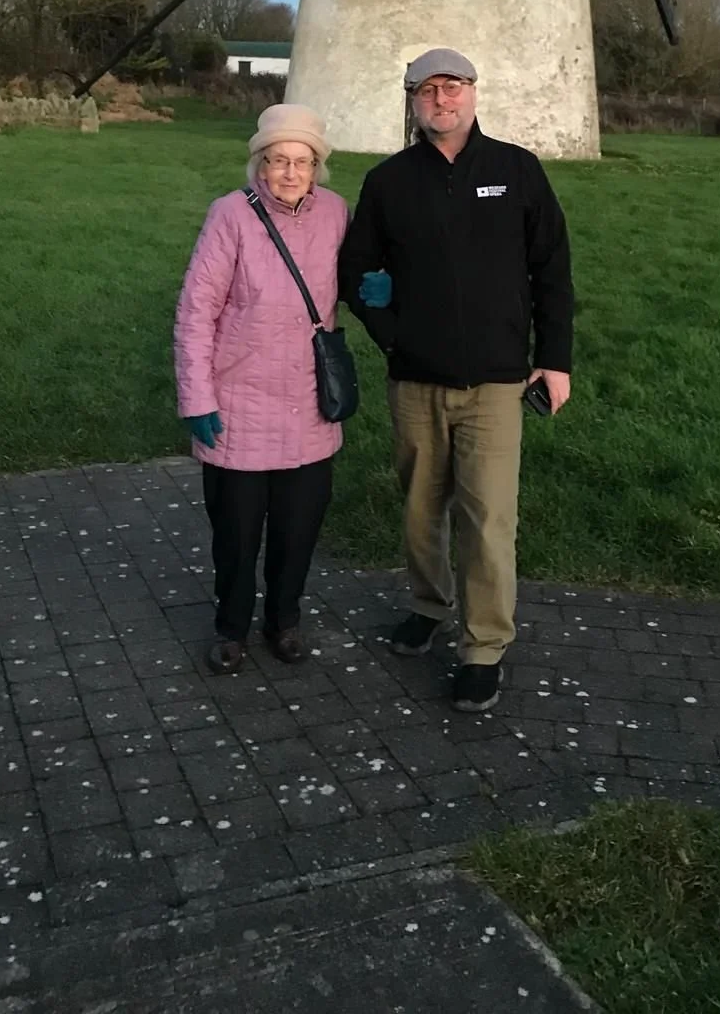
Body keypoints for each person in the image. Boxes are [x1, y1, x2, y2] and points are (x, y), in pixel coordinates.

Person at [339, 48, 573, 713]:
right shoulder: (388, 182)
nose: (443, 99)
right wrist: (391, 335)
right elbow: (356, 270)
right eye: (428, 89)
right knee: (419, 508)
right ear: (412, 99)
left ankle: (483, 645)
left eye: (455, 86)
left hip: (497, 380)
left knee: (489, 516)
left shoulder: (516, 170)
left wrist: (553, 359)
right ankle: (428, 604)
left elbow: (552, 270)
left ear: (474, 93)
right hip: (415, 379)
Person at [174, 103, 349, 675]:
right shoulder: (230, 215)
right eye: (277, 160)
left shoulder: (335, 214)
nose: (290, 172)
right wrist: (197, 397)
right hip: (239, 401)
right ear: (259, 164)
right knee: (236, 534)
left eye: (302, 161)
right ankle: (230, 627)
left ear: (317, 166)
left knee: (298, 531)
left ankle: (284, 619)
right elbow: (197, 310)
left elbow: (356, 276)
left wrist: (381, 290)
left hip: (307, 403)